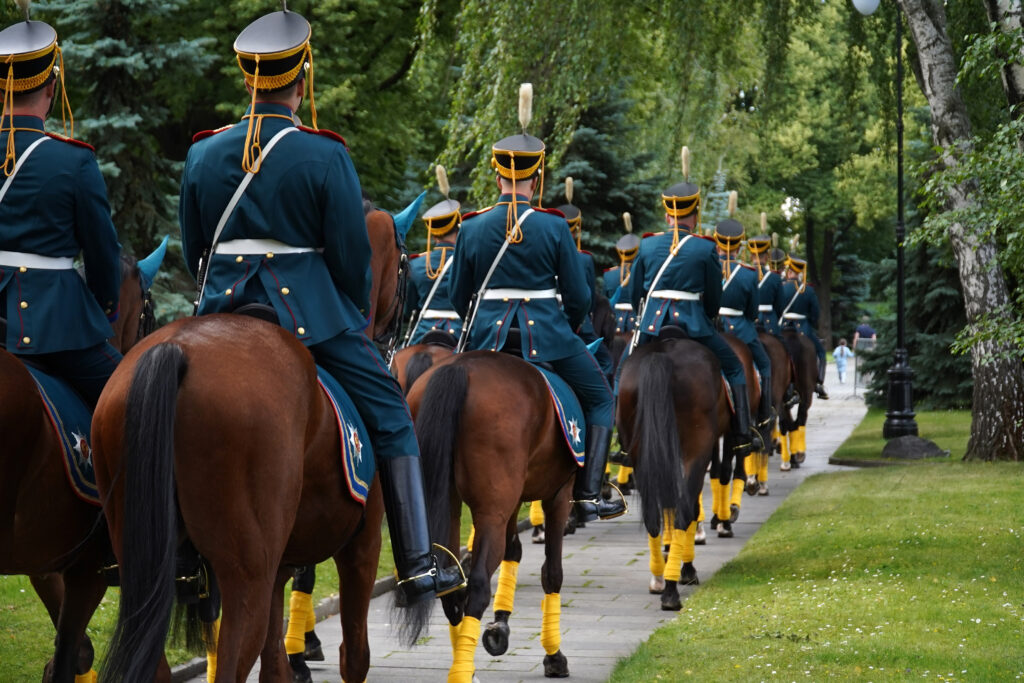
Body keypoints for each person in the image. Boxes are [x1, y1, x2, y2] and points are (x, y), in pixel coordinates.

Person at [177, 7, 463, 603]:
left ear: (247, 78)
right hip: (307, 313)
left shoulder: (204, 154)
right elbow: (351, 259)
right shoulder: (325, 153)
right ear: (301, 78)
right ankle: (414, 559)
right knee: (389, 409)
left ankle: (178, 555)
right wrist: (348, 308)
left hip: (221, 308)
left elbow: (194, 247)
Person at [449, 83, 624, 522]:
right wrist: (563, 325)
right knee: (601, 397)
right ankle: (587, 493)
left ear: (497, 176)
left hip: (485, 336)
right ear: (536, 177)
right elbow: (581, 297)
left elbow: (457, 295)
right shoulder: (553, 227)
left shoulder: (471, 227)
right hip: (547, 336)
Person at [0, 12, 122, 409]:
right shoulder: (73, 161)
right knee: (137, 400)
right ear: (52, 85)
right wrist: (105, 308)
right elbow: (103, 255)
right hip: (55, 324)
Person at [627, 147, 760, 459]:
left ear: (667, 214)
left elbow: (635, 293)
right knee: (735, 368)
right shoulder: (704, 248)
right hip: (694, 325)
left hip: (652, 324)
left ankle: (623, 442)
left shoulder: (646, 245)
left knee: (623, 373)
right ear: (695, 214)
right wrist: (708, 316)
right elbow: (714, 298)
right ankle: (741, 434)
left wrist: (641, 317)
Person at [714, 209, 772, 442]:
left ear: (717, 244)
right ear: (739, 247)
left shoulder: (709, 265)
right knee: (766, 365)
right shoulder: (748, 274)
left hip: (713, 328)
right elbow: (752, 311)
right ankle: (764, 416)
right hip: (741, 328)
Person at [556, 177, 614, 383]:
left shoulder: (543, 249)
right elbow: (587, 298)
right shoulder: (584, 258)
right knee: (606, 362)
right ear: (576, 228)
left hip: (546, 317)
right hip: (577, 320)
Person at [404, 165, 462, 346]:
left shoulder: (416, 264)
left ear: (433, 233)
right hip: (460, 331)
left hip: (423, 332)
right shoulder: (467, 262)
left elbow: (409, 310)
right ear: (458, 225)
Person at [781, 254, 829, 399]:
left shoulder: (782, 287)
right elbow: (815, 313)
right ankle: (819, 383)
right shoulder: (807, 290)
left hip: (783, 326)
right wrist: (812, 324)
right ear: (800, 273)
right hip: (803, 327)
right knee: (821, 352)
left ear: (789, 272)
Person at [747, 224, 786, 339]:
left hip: (749, 324)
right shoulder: (775, 278)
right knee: (785, 351)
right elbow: (780, 306)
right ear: (767, 256)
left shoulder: (744, 274)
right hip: (770, 323)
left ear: (751, 256)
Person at [602, 214, 641, 334]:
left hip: (613, 324)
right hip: (636, 323)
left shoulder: (609, 275)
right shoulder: (642, 273)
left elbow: (606, 302)